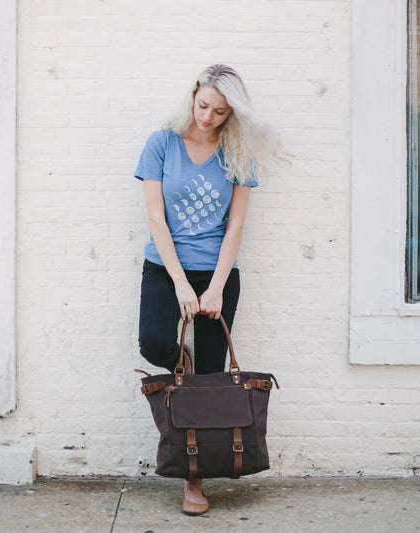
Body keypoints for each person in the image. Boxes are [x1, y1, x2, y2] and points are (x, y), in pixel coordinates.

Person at [135, 64, 285, 515]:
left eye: (220, 112)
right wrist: (181, 283)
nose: (208, 117)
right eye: (203, 106)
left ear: (231, 113)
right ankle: (183, 362)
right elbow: (157, 218)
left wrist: (216, 287)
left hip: (218, 273)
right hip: (166, 268)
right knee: (154, 343)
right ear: (192, 96)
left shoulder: (238, 153)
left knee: (208, 379)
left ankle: (194, 480)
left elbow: (235, 226)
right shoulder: (161, 143)